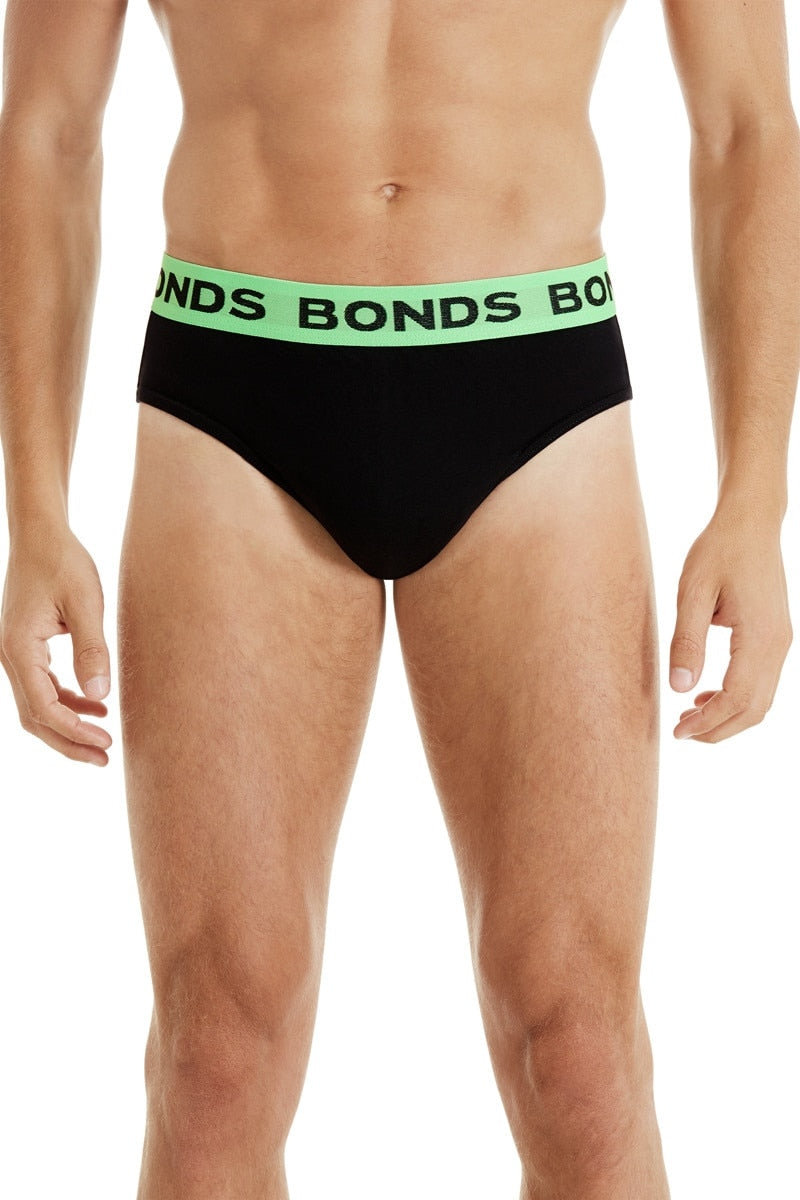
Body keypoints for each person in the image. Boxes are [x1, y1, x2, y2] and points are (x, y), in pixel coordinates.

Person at [0, 1, 797, 1196]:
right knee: (215, 1060)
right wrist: (35, 512)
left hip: (535, 387)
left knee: (577, 1057)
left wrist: (753, 500)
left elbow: (744, 127)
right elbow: (48, 129)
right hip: (232, 392)